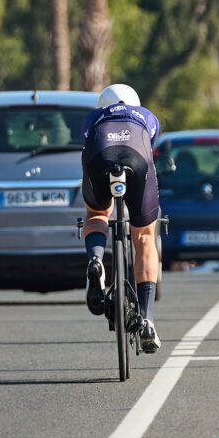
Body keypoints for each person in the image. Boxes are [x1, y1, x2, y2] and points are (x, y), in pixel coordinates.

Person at [81, 83, 162, 353]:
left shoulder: (94, 117)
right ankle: (147, 321)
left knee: (96, 214)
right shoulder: (146, 116)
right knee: (145, 236)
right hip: (136, 157)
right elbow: (151, 144)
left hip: (99, 155)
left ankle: (95, 259)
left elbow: (86, 140)